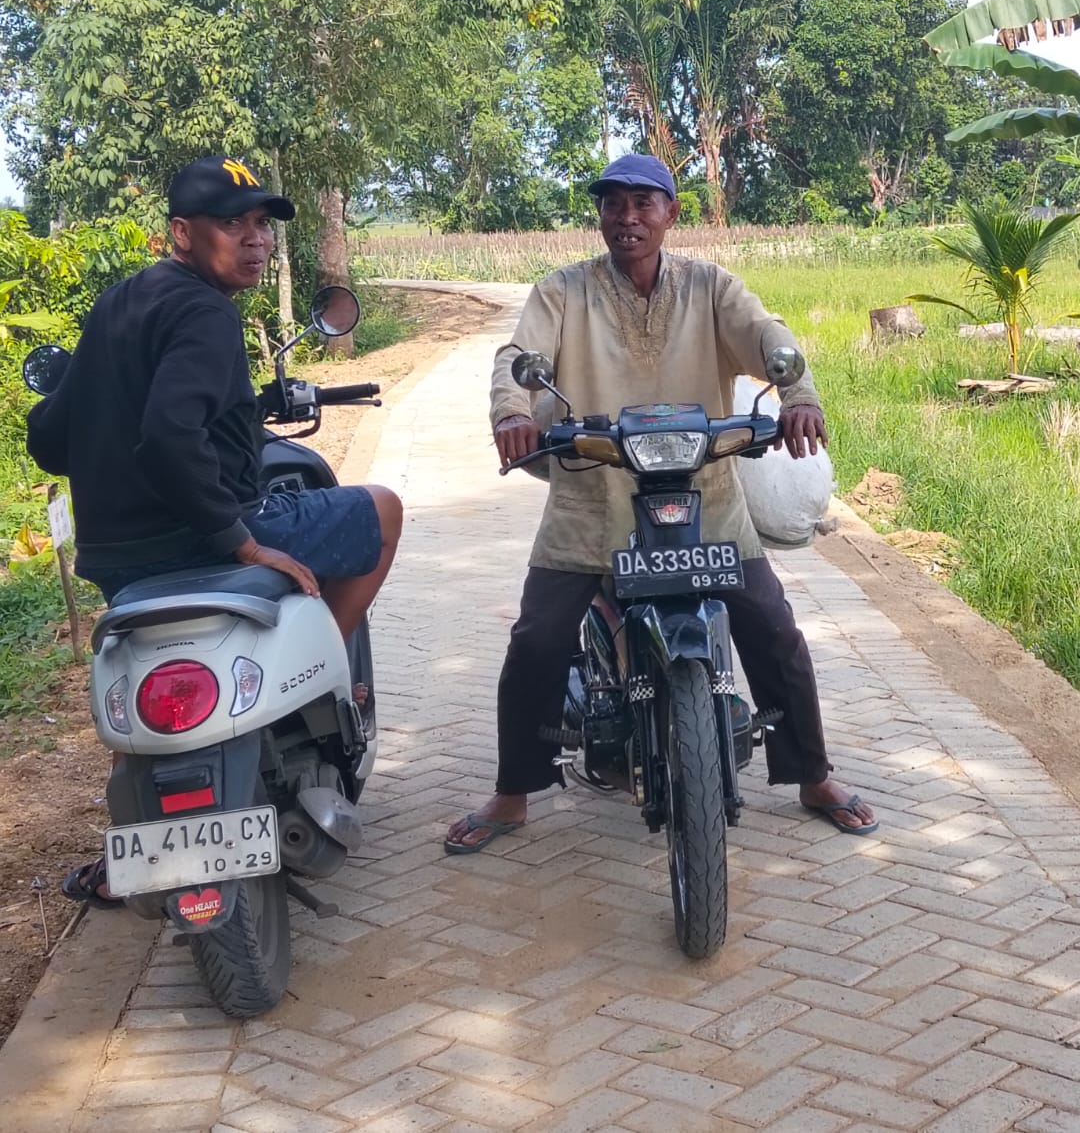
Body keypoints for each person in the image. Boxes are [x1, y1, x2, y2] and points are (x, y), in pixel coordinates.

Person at [444, 154, 876, 852]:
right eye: (613, 204)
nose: (628, 218)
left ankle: (812, 775)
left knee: (773, 628)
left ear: (672, 213)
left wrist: (798, 395)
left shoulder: (710, 287)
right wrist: (512, 412)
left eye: (644, 203)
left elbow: (767, 335)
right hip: (593, 502)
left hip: (706, 502)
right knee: (537, 639)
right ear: (600, 215)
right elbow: (517, 357)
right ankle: (512, 792)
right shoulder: (563, 292)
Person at [26, 155, 404, 905]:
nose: (255, 238)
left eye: (262, 223)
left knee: (138, 673)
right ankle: (328, 673)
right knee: (384, 508)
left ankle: (128, 839)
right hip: (205, 540)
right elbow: (171, 435)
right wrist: (243, 541)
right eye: (232, 224)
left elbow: (48, 440)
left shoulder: (118, 302)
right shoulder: (206, 312)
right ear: (182, 233)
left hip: (119, 562)